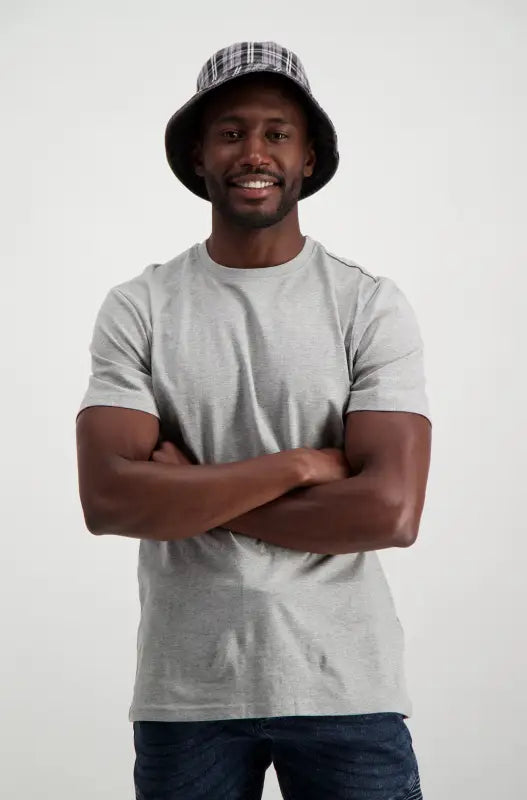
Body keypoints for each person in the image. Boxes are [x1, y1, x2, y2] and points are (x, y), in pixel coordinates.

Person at [76, 41, 432, 800]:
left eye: (277, 132)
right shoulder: (140, 307)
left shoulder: (367, 305)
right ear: (199, 156)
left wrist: (189, 496)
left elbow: (390, 512)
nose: (254, 151)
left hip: (346, 688)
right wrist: (300, 467)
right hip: (187, 690)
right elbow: (109, 502)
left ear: (306, 157)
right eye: (231, 132)